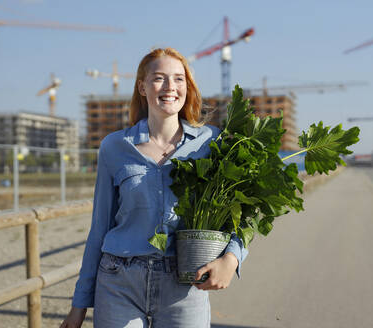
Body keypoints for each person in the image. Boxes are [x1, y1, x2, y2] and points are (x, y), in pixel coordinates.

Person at [60, 47, 248, 328]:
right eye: (159, 78)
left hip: (185, 284)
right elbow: (99, 228)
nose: (170, 87)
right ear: (142, 87)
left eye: (178, 79)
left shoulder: (212, 144)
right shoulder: (114, 147)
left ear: (187, 87)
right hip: (119, 281)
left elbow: (245, 211)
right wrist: (79, 306)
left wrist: (232, 258)